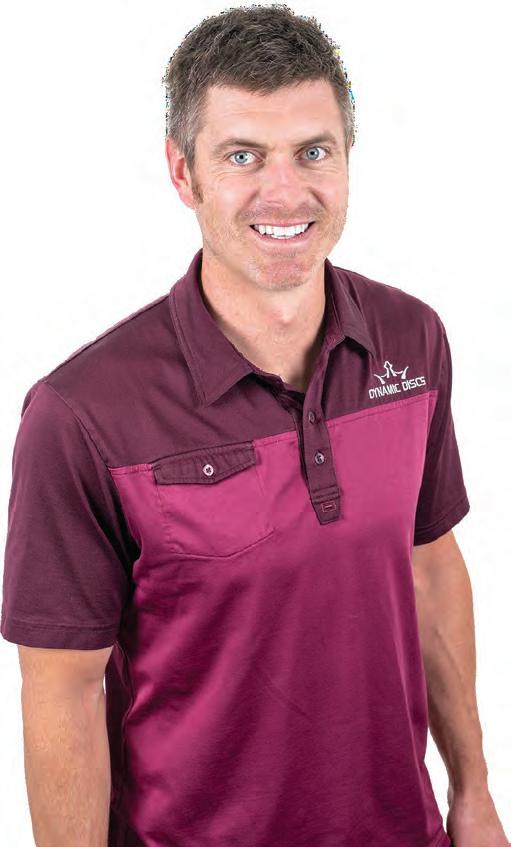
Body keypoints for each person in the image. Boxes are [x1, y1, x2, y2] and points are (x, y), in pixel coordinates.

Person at [1, 4, 508, 846]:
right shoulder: (81, 415)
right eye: (242, 155)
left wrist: (474, 790)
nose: (285, 192)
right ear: (182, 172)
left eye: (313, 151)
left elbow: (429, 568)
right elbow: (63, 690)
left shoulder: (411, 341)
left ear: (347, 158)